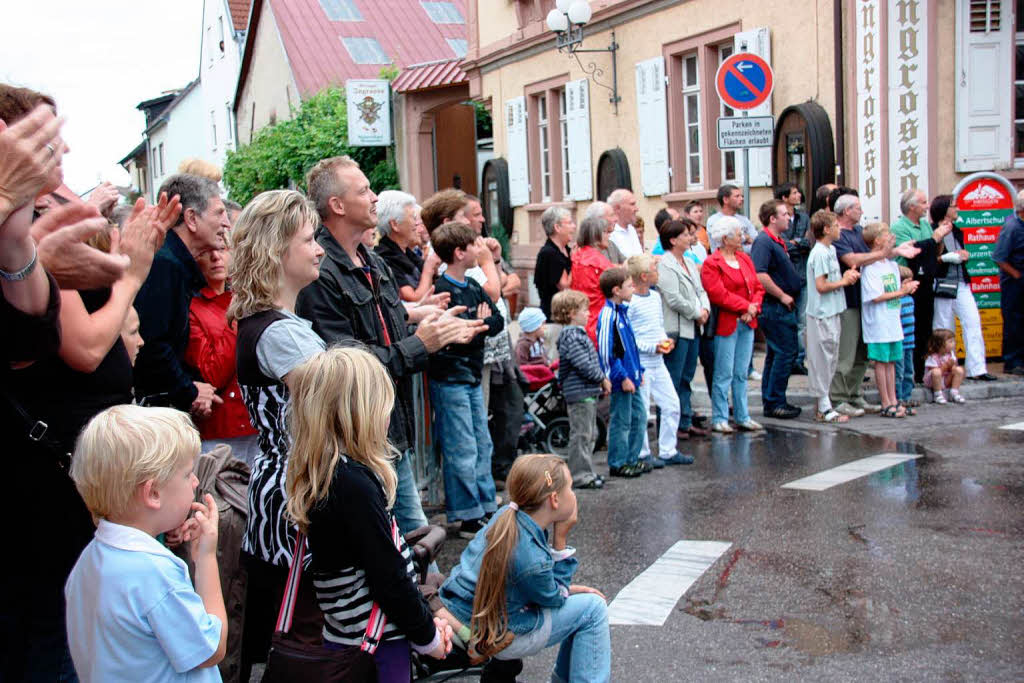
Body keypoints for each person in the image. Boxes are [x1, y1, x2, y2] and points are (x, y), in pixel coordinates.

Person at [297, 159, 472, 537]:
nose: (374, 197)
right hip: (357, 440)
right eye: (362, 190)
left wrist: (432, 327)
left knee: (415, 543)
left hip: (392, 429)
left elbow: (389, 332)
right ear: (337, 205)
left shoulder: (374, 263)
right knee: (407, 545)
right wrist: (420, 344)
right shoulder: (320, 272)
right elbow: (345, 365)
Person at [284, 348, 454, 680]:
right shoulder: (353, 485)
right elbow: (388, 577)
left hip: (343, 638)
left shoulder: (325, 474)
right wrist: (428, 637)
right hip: (376, 646)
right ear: (359, 413)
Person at [228, 189, 328, 679]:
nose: (319, 249)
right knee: (300, 625)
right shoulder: (279, 333)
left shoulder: (271, 324)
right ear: (276, 250)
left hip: (283, 484)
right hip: (296, 490)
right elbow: (335, 412)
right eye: (310, 239)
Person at [65, 405, 227, 682]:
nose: (196, 481)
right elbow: (211, 649)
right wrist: (206, 559)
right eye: (187, 474)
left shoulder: (90, 559)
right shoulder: (156, 573)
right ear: (152, 493)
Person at [438, 454, 610, 683]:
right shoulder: (532, 561)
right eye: (570, 488)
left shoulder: (504, 516)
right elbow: (553, 597)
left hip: (464, 614)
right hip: (499, 636)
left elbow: (521, 583)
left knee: (583, 606)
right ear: (554, 500)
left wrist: (572, 588)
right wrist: (561, 539)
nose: (574, 495)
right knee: (593, 609)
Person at [430, 222, 506, 537]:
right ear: (460, 253)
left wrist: (478, 325)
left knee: (481, 440)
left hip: (471, 374)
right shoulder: (441, 290)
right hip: (450, 377)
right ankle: (466, 514)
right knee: (461, 445)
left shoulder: (473, 287)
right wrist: (474, 326)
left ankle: (486, 502)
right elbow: (455, 333)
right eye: (474, 245)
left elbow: (497, 320)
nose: (480, 250)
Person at [134, 173, 230, 412]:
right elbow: (152, 344)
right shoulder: (165, 264)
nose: (226, 223)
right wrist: (188, 390)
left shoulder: (172, 262)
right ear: (191, 219)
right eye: (219, 213)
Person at [829, 194, 918, 416]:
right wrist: (885, 252)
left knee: (862, 352)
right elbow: (853, 261)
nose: (861, 211)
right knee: (847, 352)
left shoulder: (859, 232)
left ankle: (854, 394)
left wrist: (895, 251)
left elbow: (874, 255)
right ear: (846, 211)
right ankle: (839, 397)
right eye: (857, 208)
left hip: (865, 301)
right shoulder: (840, 236)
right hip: (848, 298)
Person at [185, 245, 260, 465]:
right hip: (219, 428)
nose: (216, 257)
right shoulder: (191, 306)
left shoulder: (248, 295)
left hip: (256, 421)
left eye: (223, 249)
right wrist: (239, 311)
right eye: (206, 250)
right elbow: (211, 373)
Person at [626, 254, 692, 466]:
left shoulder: (655, 297)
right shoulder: (631, 303)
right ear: (644, 276)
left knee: (672, 404)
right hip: (642, 363)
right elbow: (629, 337)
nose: (658, 273)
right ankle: (642, 453)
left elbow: (658, 325)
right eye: (655, 270)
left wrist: (665, 340)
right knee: (643, 411)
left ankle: (667, 449)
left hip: (658, 361)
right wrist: (650, 347)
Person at [701, 216, 765, 433]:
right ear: (726, 238)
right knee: (723, 372)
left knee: (740, 372)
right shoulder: (712, 263)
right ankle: (719, 416)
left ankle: (742, 415)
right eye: (739, 234)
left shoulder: (744, 259)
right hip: (727, 323)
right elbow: (718, 293)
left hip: (747, 322)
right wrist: (745, 307)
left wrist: (753, 307)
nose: (743, 237)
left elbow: (757, 286)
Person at [929, 194, 996, 381]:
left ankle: (977, 368)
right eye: (953, 206)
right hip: (942, 283)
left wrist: (962, 254)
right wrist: (945, 257)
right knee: (943, 326)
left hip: (961, 283)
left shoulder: (958, 231)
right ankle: (943, 368)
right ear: (944, 209)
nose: (957, 209)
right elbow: (930, 259)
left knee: (973, 322)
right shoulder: (932, 230)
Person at [891, 187, 952, 382]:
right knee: (912, 329)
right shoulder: (900, 227)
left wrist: (939, 238)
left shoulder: (925, 224)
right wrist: (934, 238)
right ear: (912, 207)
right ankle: (909, 372)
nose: (927, 206)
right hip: (909, 281)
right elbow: (915, 252)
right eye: (924, 203)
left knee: (926, 326)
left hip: (927, 282)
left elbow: (934, 251)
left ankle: (922, 370)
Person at [805, 210, 860, 423]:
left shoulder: (831, 250)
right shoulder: (819, 253)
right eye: (836, 226)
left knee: (831, 359)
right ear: (826, 229)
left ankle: (824, 402)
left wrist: (845, 277)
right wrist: (844, 282)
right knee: (822, 360)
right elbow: (821, 285)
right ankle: (823, 406)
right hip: (821, 314)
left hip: (834, 310)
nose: (839, 229)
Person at [658, 219, 711, 440]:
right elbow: (673, 298)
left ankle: (685, 420)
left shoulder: (688, 263)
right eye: (685, 235)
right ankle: (670, 425)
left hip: (693, 328)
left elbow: (700, 290)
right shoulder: (665, 265)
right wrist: (696, 313)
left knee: (687, 376)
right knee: (673, 378)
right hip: (676, 329)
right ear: (672, 240)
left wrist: (705, 309)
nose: (690, 238)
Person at [860, 223, 920, 418]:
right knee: (881, 361)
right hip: (878, 323)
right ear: (877, 241)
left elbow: (893, 290)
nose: (891, 236)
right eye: (886, 234)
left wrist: (904, 288)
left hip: (892, 320)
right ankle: (885, 401)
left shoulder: (892, 265)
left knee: (892, 362)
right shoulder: (870, 267)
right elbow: (875, 296)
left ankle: (894, 399)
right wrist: (901, 292)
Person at [553, 290, 609, 489]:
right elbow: (583, 363)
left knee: (589, 434)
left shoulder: (577, 335)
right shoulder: (571, 336)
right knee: (581, 435)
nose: (588, 313)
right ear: (570, 313)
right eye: (583, 310)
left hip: (587, 392)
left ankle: (586, 471)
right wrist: (601, 378)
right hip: (580, 393)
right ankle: (579, 475)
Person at [751, 199, 802, 419]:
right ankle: (775, 401)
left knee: (777, 353)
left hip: (782, 306)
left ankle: (773, 399)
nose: (788, 217)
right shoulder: (764, 241)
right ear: (772, 218)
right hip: (775, 307)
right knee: (784, 353)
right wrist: (782, 295)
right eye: (784, 214)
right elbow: (760, 274)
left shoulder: (777, 240)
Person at [596, 267, 646, 477]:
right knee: (622, 421)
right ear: (616, 290)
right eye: (628, 285)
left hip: (631, 377)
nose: (632, 288)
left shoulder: (621, 312)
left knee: (639, 417)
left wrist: (637, 371)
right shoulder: (609, 315)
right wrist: (621, 376)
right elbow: (608, 352)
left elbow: (629, 347)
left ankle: (631, 458)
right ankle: (618, 462)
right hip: (621, 379)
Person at [375, 190, 440, 303]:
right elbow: (413, 299)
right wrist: (429, 268)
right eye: (413, 218)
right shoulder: (385, 258)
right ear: (395, 225)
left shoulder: (408, 254)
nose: (417, 225)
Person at [775, 183, 811, 374]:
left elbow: (808, 242)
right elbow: (782, 245)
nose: (798, 195)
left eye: (798, 191)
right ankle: (789, 359)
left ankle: (799, 359)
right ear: (784, 197)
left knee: (801, 321)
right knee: (787, 320)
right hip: (786, 275)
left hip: (802, 274)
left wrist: (797, 243)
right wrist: (796, 243)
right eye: (794, 193)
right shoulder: (778, 217)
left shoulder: (803, 217)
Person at [571, 215, 614, 345]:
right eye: (605, 232)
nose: (609, 236)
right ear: (595, 235)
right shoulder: (599, 262)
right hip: (599, 321)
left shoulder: (577, 256)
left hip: (581, 319)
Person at [994, 190, 1024, 375]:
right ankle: (1012, 362)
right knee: (1014, 322)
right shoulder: (1012, 227)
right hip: (1015, 282)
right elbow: (999, 257)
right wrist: (1017, 275)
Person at [534, 206, 575, 319]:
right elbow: (565, 286)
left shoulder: (566, 250)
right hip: (554, 317)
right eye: (570, 223)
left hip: (566, 314)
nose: (574, 226)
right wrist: (576, 260)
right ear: (557, 227)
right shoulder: (549, 253)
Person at [707, 184, 757, 253]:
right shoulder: (714, 221)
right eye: (737, 196)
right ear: (725, 200)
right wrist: (746, 238)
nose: (742, 199)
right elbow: (723, 247)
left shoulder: (744, 219)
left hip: (745, 261)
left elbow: (757, 243)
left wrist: (742, 246)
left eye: (742, 196)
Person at [895, 267, 917, 413]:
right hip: (901, 341)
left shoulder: (910, 299)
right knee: (899, 372)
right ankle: (898, 397)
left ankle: (907, 396)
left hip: (910, 341)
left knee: (909, 371)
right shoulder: (897, 300)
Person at [924, 329, 966, 404]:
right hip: (934, 381)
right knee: (936, 372)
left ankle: (954, 392)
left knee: (959, 370)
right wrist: (946, 365)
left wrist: (953, 367)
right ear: (940, 344)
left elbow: (953, 369)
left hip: (946, 379)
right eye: (950, 341)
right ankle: (938, 394)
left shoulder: (951, 354)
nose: (953, 343)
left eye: (953, 341)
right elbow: (935, 372)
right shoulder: (933, 357)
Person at [606, 189, 642, 263]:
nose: (637, 209)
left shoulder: (631, 229)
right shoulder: (609, 234)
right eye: (632, 204)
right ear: (618, 208)